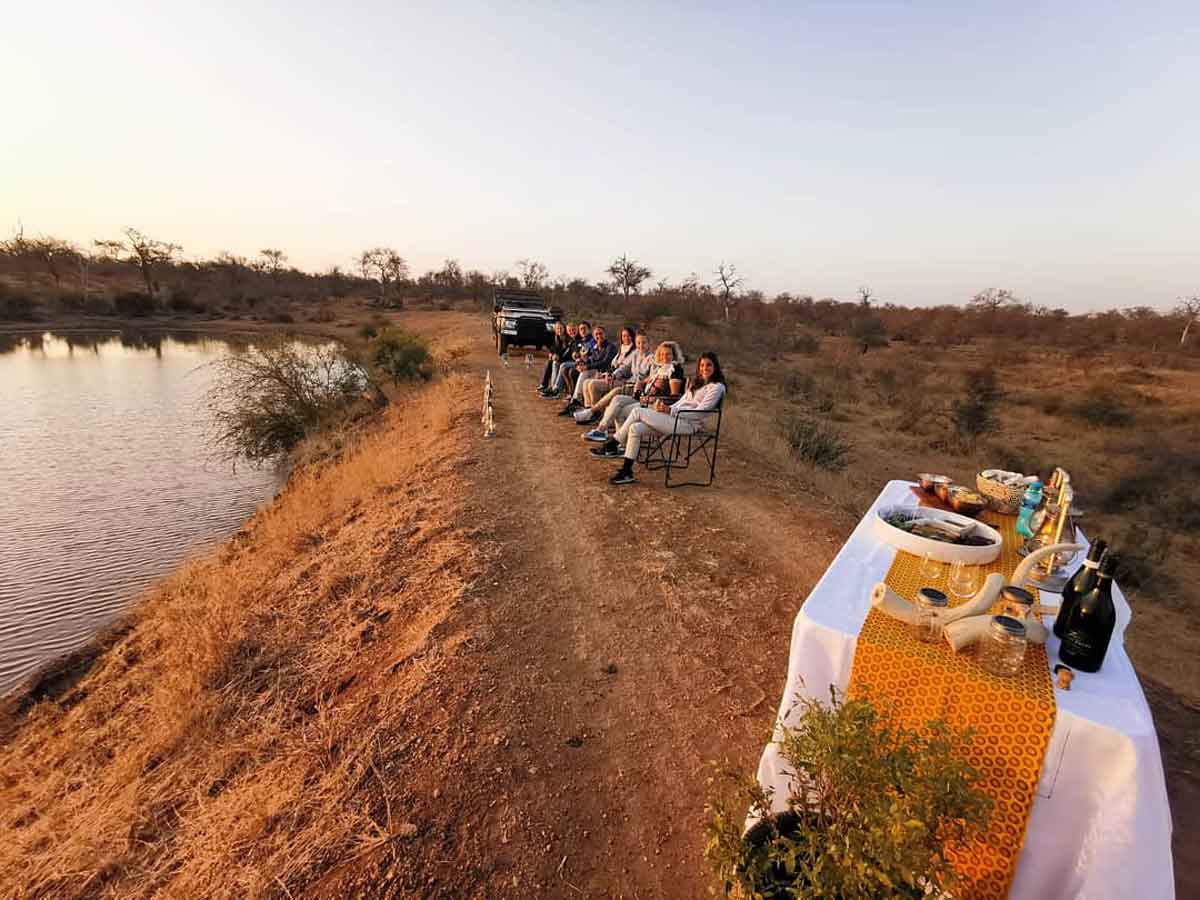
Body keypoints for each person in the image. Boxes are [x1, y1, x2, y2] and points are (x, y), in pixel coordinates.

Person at [601, 351, 725, 485]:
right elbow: (680, 403)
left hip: (689, 424)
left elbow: (700, 413)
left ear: (715, 367)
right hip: (675, 419)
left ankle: (613, 443)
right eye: (701, 365)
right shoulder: (697, 383)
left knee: (638, 411)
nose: (704, 369)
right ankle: (626, 472)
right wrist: (665, 408)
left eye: (708, 365)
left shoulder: (717, 387)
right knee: (635, 428)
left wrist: (670, 410)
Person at [578, 337, 682, 434]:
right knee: (617, 398)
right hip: (642, 398)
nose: (665, 357)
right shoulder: (661, 368)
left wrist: (652, 399)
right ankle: (602, 430)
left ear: (674, 355)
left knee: (619, 408)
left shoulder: (675, 370)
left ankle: (614, 438)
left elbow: (672, 397)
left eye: (668, 354)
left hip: (654, 404)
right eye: (662, 354)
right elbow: (647, 379)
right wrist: (640, 383)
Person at [575, 325, 637, 413]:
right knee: (586, 382)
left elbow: (624, 368)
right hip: (611, 375)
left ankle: (596, 412)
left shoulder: (633, 352)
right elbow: (612, 365)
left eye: (628, 336)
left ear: (632, 337)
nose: (626, 338)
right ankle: (588, 408)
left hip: (622, 379)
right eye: (624, 336)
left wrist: (612, 375)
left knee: (592, 384)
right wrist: (605, 374)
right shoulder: (621, 349)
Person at [559, 325, 616, 416]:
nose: (599, 336)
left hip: (605, 372)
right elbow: (590, 359)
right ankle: (579, 402)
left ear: (605, 334)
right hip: (596, 371)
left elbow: (605, 362)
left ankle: (577, 401)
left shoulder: (610, 347)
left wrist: (587, 367)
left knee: (584, 372)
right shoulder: (595, 347)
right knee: (582, 372)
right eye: (596, 334)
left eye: (600, 333)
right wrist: (582, 363)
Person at [544, 321, 593, 398]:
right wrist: (554, 355)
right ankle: (553, 388)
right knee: (555, 362)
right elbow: (563, 351)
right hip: (575, 361)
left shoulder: (584, 339)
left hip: (582, 363)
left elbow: (585, 354)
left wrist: (577, 356)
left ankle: (556, 389)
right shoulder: (573, 340)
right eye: (569, 330)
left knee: (563, 365)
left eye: (573, 330)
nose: (572, 332)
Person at [537, 321, 570, 393]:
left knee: (554, 362)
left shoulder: (567, 338)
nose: (559, 330)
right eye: (557, 329)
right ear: (555, 330)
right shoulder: (557, 338)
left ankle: (553, 387)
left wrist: (557, 356)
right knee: (550, 361)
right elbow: (553, 348)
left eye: (561, 328)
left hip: (566, 358)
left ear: (564, 328)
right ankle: (545, 384)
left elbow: (566, 351)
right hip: (560, 358)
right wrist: (552, 353)